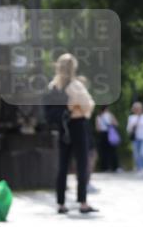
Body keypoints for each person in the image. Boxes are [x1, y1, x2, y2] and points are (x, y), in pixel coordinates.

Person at [48, 53, 98, 214]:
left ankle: (61, 203)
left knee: (63, 165)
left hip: (63, 127)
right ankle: (82, 202)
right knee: (82, 164)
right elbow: (88, 105)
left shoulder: (53, 86)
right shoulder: (75, 85)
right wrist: (78, 107)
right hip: (77, 125)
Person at [95, 105, 120, 172]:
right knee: (113, 151)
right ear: (107, 108)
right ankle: (115, 167)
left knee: (104, 152)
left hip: (102, 135)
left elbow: (98, 128)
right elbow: (116, 123)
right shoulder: (110, 115)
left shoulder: (98, 116)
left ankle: (105, 168)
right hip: (110, 134)